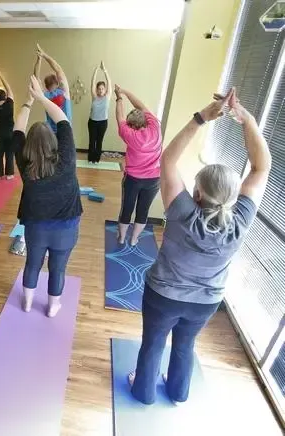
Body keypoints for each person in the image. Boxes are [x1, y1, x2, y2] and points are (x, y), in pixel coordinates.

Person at [129, 88, 271, 405]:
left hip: (163, 296)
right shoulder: (241, 219)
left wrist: (202, 117)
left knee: (152, 343)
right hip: (205, 303)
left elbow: (167, 159)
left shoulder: (181, 212)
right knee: (185, 345)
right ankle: (178, 392)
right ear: (233, 199)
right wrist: (246, 119)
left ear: (196, 194)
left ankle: (143, 392)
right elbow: (262, 167)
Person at [12, 76, 82, 318]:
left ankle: (28, 303)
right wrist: (41, 97)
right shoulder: (67, 158)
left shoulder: (24, 162)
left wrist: (28, 102)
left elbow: (17, 130)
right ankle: (53, 307)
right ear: (53, 142)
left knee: (32, 264)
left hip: (36, 227)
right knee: (58, 269)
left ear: (28, 146)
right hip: (66, 227)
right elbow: (62, 120)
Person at [115, 84, 163, 246]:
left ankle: (121, 238)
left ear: (132, 126)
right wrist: (125, 91)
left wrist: (119, 97)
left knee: (127, 209)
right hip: (154, 180)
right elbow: (140, 105)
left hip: (133, 179)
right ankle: (134, 239)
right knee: (143, 211)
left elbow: (120, 117)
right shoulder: (155, 126)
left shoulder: (130, 135)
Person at [34, 44, 72, 133]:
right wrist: (43, 55)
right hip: (64, 130)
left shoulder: (45, 95)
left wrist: (39, 59)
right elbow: (58, 69)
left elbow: (36, 79)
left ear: (46, 86)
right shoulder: (63, 92)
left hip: (52, 132)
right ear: (57, 83)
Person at [88, 61, 112, 164]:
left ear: (105, 89)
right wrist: (96, 70)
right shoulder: (94, 97)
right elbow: (92, 83)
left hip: (103, 123)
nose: (100, 90)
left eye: (102, 88)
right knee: (92, 140)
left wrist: (105, 70)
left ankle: (97, 159)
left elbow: (109, 82)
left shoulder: (107, 97)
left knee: (99, 141)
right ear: (96, 90)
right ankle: (90, 159)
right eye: (99, 89)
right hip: (92, 122)